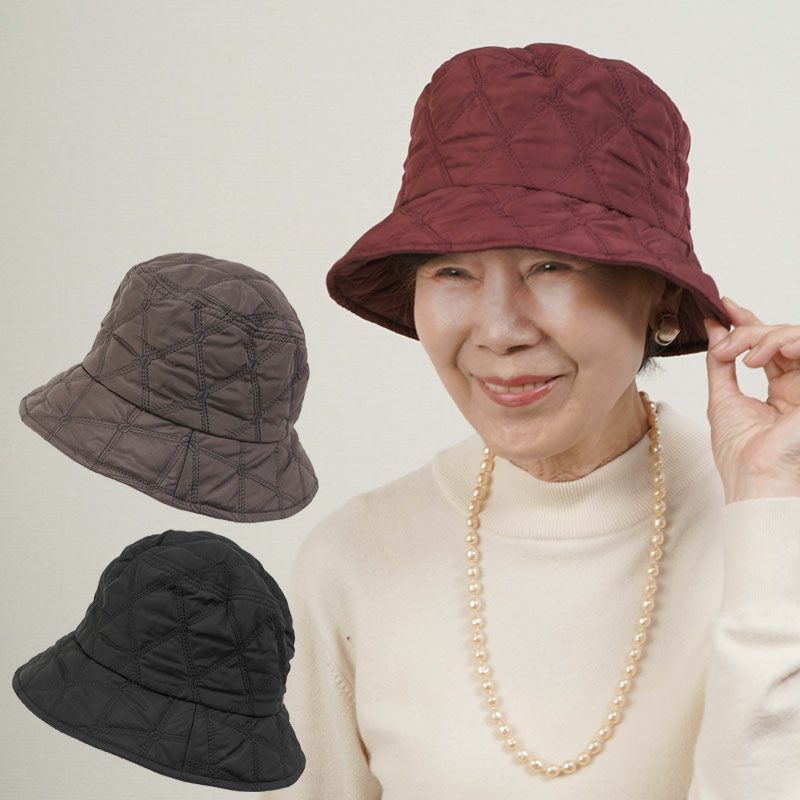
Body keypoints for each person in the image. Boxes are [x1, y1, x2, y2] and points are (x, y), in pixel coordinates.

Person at [275, 43, 800, 799]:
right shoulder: (353, 559)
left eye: (552, 265)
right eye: (451, 270)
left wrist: (772, 511)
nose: (498, 329)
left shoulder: (771, 528)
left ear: (658, 296)